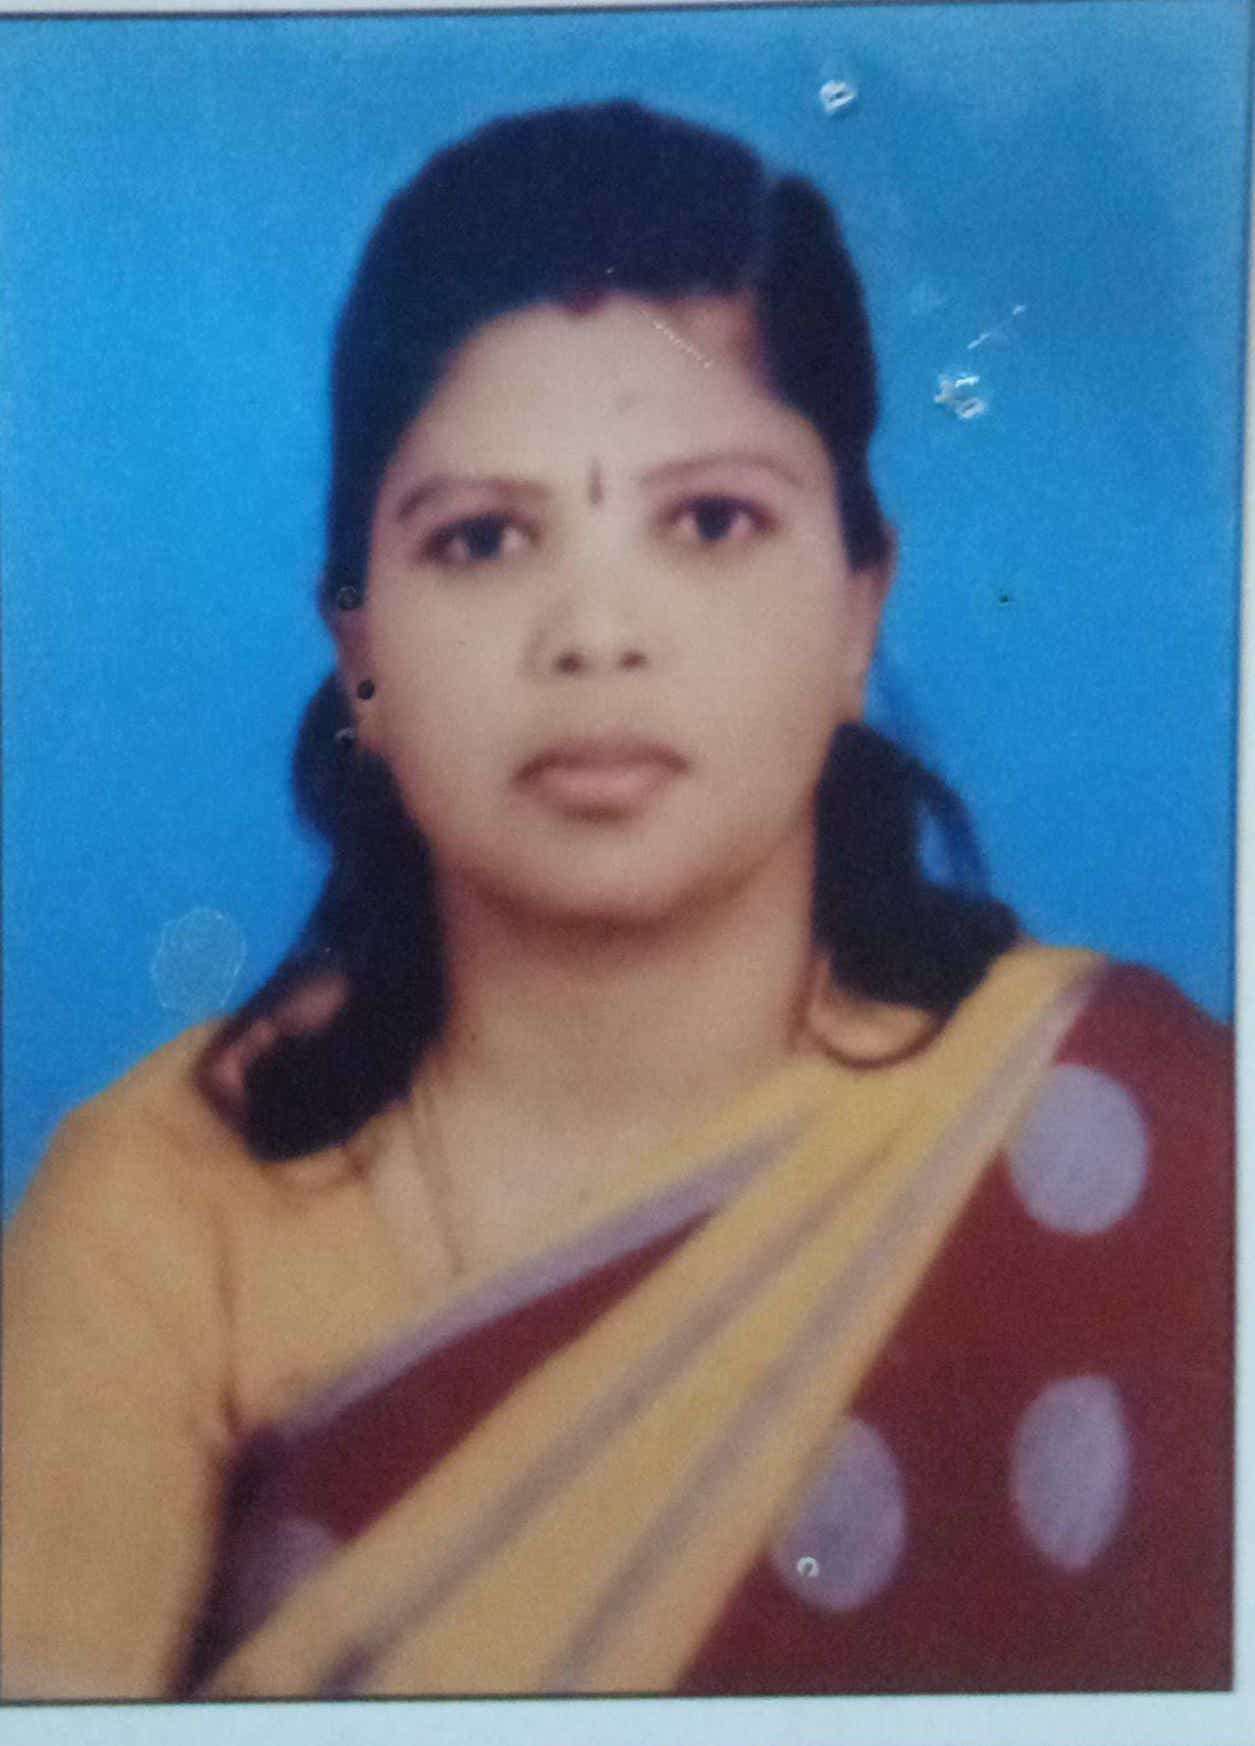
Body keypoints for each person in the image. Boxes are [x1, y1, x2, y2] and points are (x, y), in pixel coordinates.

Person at [1, 101, 1231, 1702]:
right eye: (484, 539)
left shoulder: (1123, 1132)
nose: (595, 633)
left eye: (709, 522)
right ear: (361, 652)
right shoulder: (170, 1207)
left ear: (858, 610)